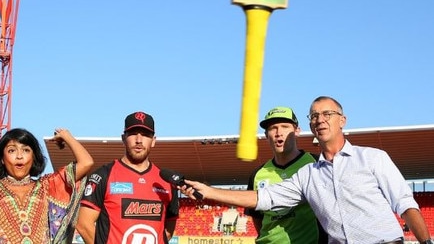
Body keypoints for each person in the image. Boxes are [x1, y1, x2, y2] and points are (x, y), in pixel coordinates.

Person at [181, 96, 433, 244]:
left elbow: (404, 203)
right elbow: (264, 199)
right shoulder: (308, 174)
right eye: (314, 116)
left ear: (342, 120)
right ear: (310, 125)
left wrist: (426, 242)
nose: (320, 119)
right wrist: (209, 191)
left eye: (327, 113)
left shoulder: (373, 158)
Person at [0, 105, 94, 244]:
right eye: (12, 150)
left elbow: (86, 162)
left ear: (34, 157)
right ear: (2, 159)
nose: (19, 156)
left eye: (26, 150)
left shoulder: (46, 186)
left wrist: (67, 136)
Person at [76, 111, 179, 244]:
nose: (139, 140)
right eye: (133, 133)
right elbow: (83, 225)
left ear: (153, 141)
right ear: (123, 138)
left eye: (146, 135)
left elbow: (168, 232)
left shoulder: (167, 181)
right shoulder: (103, 176)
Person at [244, 106, 326, 243]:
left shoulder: (316, 164)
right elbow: (258, 219)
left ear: (297, 131)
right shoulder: (257, 174)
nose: (278, 133)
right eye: (272, 128)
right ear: (266, 135)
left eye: (285, 126)